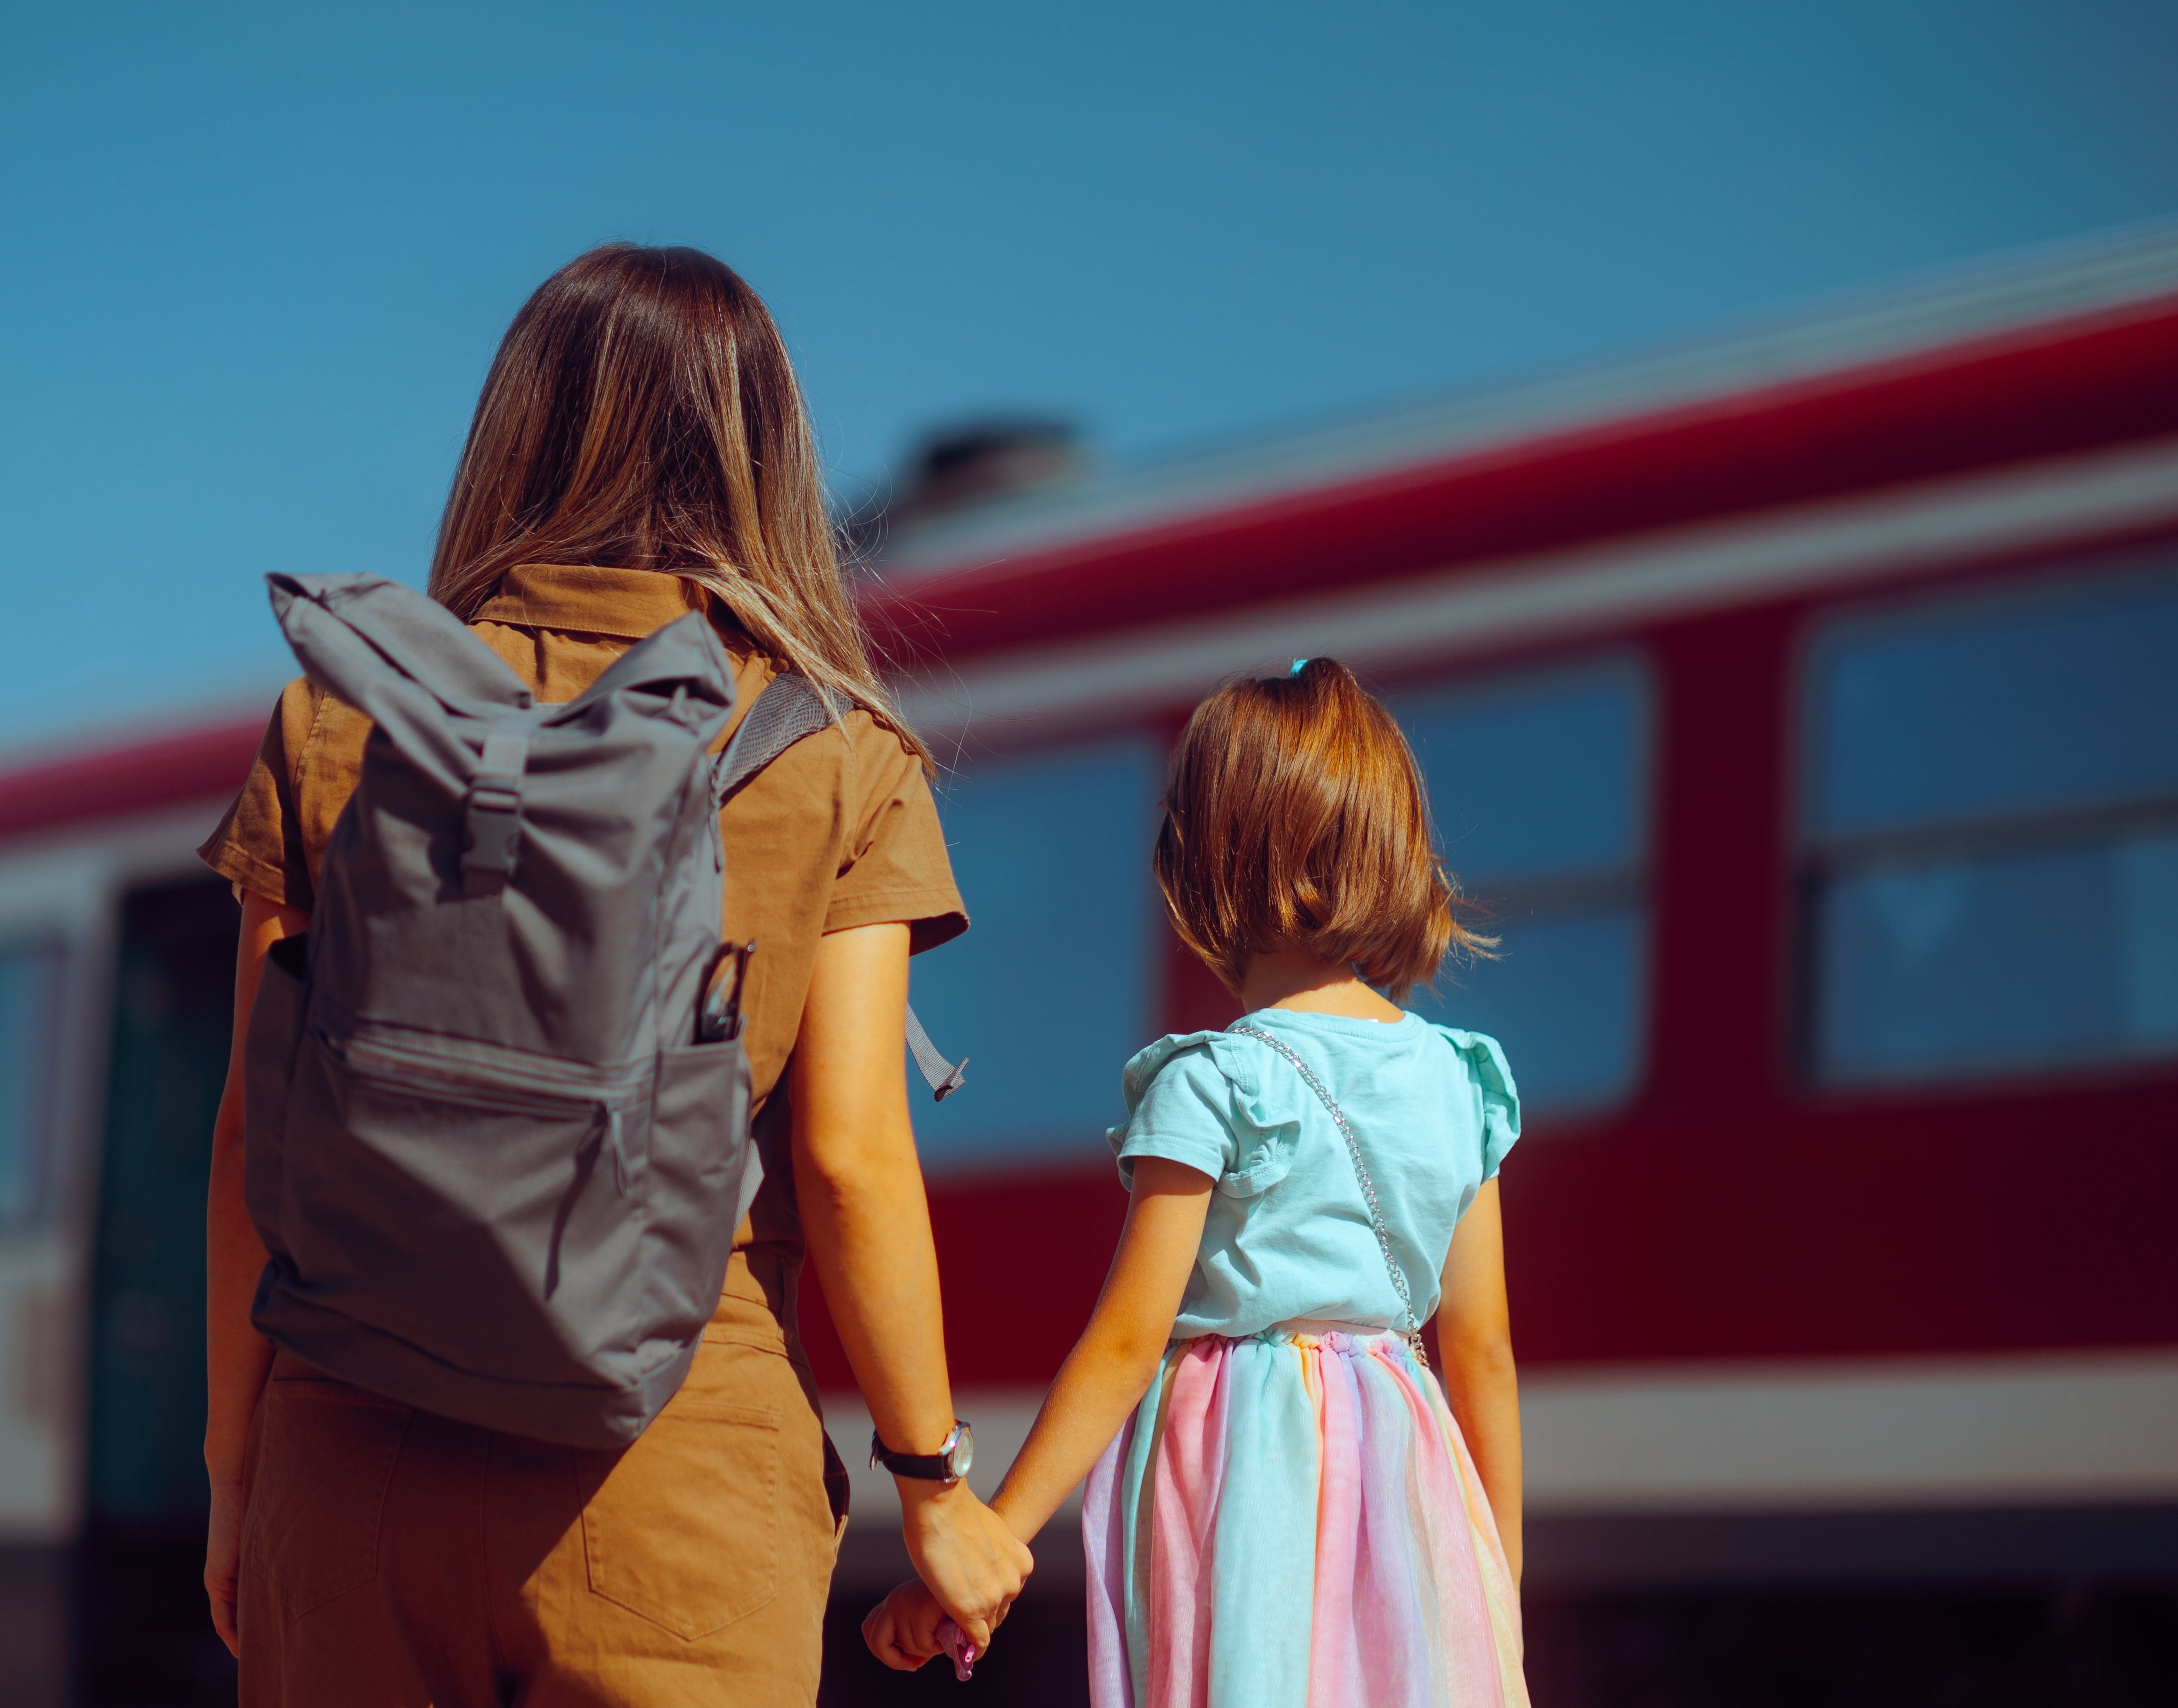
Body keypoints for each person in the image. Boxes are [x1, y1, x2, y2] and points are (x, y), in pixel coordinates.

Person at [197, 243, 1031, 1707]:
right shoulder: (835, 751)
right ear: (767, 453)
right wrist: (936, 1483)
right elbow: (846, 1160)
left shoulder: (340, 719)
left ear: (519, 430)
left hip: (355, 1462)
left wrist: (238, 1472)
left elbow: (250, 1145)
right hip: (677, 1467)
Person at [865, 659, 1529, 1707]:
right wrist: (1495, 1596)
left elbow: (1127, 1343)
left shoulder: (1214, 1083)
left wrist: (983, 1546)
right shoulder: (1464, 1080)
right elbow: (1481, 1353)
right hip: (1415, 1474)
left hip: (1247, 1472)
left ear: (1203, 864)